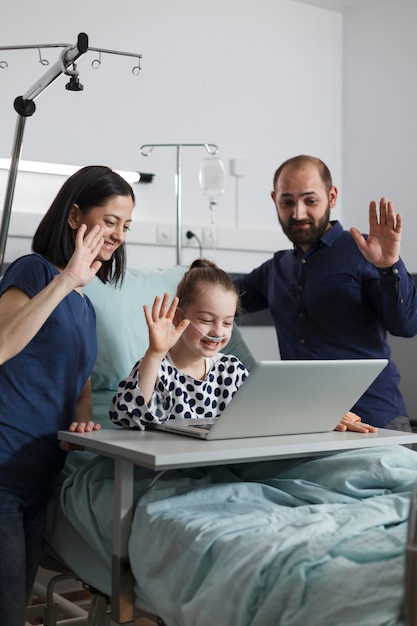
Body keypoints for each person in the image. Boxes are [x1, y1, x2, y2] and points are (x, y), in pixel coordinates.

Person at [0, 165, 135, 626]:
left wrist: (82, 423)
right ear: (75, 215)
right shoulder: (33, 271)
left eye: (126, 225)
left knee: (15, 607)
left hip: (38, 480)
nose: (118, 234)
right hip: (1, 470)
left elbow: (77, 383)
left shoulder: (84, 305)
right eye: (111, 220)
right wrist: (66, 278)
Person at [233, 154, 417, 430]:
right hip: (309, 423)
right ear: (275, 201)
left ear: (331, 197)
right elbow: (218, 297)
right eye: (287, 202)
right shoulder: (275, 269)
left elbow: (406, 325)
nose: (298, 213)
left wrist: (389, 265)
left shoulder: (367, 253)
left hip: (376, 420)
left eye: (310, 200)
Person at [110, 258, 376, 434]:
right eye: (206, 320)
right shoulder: (156, 370)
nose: (218, 331)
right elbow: (127, 416)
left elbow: (269, 411)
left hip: (230, 466)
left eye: (227, 323)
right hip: (173, 471)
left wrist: (323, 418)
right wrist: (155, 353)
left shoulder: (231, 370)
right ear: (179, 317)